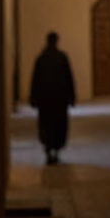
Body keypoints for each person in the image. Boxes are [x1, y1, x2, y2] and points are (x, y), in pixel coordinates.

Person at [29, 31, 75, 165]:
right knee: (58, 125)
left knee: (46, 125)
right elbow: (69, 78)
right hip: (59, 100)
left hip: (46, 100)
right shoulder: (62, 57)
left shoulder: (41, 58)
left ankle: (48, 149)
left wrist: (33, 97)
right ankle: (55, 150)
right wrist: (71, 97)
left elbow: (35, 80)